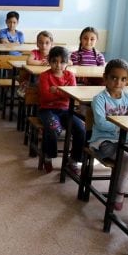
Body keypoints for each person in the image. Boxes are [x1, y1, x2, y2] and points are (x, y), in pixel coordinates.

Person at [88, 59, 128, 211]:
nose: (118, 82)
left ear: (127, 81)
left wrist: (127, 123)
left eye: (123, 79)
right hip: (103, 142)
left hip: (126, 140)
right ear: (105, 78)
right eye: (114, 77)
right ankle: (119, 193)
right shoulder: (100, 99)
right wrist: (123, 123)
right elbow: (101, 123)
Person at [36, 46, 85, 175]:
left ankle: (73, 160)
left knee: (81, 129)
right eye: (54, 61)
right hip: (47, 110)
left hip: (65, 110)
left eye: (62, 62)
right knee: (53, 129)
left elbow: (72, 94)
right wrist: (64, 91)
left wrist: (56, 90)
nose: (58, 65)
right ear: (49, 61)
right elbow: (46, 97)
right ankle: (48, 155)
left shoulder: (70, 75)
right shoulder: (44, 76)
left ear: (67, 62)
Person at [18, 30, 53, 96]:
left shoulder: (53, 54)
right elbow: (29, 61)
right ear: (37, 44)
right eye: (41, 42)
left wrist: (51, 62)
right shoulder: (34, 52)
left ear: (51, 44)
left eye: (47, 43)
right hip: (35, 80)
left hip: (49, 80)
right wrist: (42, 63)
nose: (44, 45)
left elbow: (68, 62)